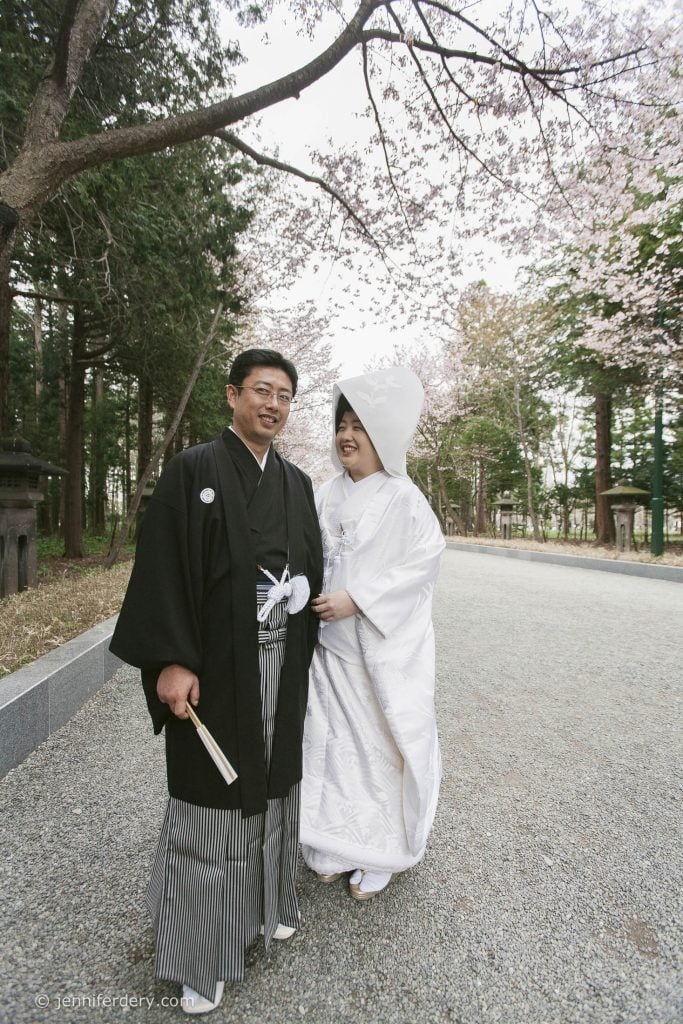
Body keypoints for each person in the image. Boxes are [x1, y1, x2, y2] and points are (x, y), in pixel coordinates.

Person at [110, 349, 323, 1015]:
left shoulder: (295, 483)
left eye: (284, 395)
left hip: (278, 659)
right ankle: (202, 954)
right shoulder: (193, 470)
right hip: (212, 660)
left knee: (272, 779)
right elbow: (164, 569)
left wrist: (303, 588)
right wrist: (172, 660)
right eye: (261, 390)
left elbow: (311, 558)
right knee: (215, 788)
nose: (273, 405)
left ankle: (264, 911)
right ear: (232, 395)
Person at [300, 366, 445, 901]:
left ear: (382, 433)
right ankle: (335, 838)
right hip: (327, 649)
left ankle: (384, 847)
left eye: (359, 425)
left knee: (381, 746)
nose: (346, 435)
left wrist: (357, 599)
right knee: (332, 745)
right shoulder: (323, 493)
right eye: (342, 423)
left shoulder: (406, 499)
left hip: (377, 650)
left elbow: (423, 564)